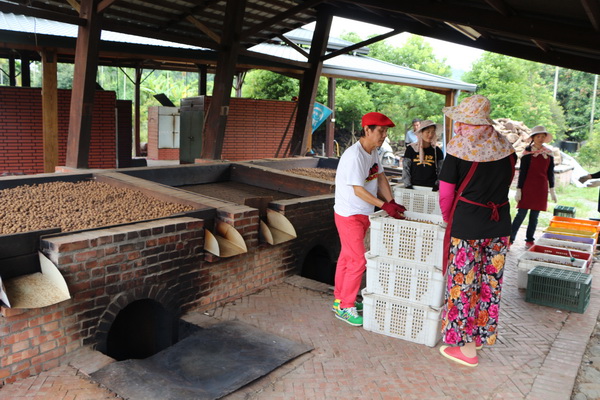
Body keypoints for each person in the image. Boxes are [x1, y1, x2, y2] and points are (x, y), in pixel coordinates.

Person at [437, 94, 517, 367]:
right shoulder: (506, 148)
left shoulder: (458, 149)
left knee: (463, 286)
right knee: (489, 285)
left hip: (468, 226)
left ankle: (466, 350)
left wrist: (449, 218)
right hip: (499, 225)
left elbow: (446, 194)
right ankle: (480, 336)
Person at [333, 112, 406, 327]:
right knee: (358, 261)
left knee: (347, 258)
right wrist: (384, 205)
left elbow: (379, 176)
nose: (384, 135)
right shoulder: (354, 155)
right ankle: (346, 307)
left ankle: (339, 299)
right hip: (349, 215)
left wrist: (391, 201)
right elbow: (358, 190)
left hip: (363, 213)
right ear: (367, 130)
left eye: (386, 131)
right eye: (380, 131)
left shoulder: (373, 152)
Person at [510, 126, 557, 248]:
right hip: (527, 187)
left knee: (534, 216)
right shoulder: (527, 153)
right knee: (521, 214)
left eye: (543, 136)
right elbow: (523, 172)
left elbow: (550, 173)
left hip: (541, 188)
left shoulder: (548, 153)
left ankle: (529, 239)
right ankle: (510, 239)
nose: (541, 139)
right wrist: (519, 189)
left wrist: (552, 189)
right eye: (538, 136)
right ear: (533, 138)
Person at [402, 120, 444, 190]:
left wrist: (437, 185)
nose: (430, 135)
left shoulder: (437, 151)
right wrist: (408, 185)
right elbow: (406, 169)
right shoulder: (411, 149)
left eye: (433, 132)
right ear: (421, 132)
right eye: (427, 132)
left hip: (431, 188)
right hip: (414, 187)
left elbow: (441, 171)